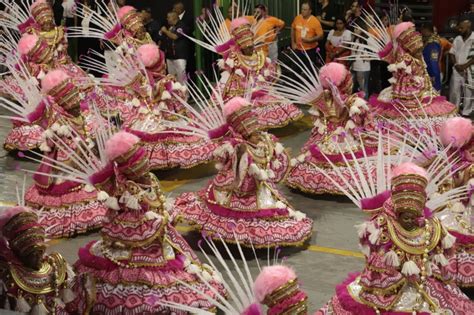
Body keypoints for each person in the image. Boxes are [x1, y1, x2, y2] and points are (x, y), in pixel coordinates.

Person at [68, 131, 226, 314]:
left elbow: (156, 201)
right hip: (138, 245)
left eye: (144, 160)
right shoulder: (128, 190)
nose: (145, 165)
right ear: (130, 168)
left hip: (161, 236)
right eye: (139, 163)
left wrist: (166, 214)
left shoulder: (150, 179)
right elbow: (131, 223)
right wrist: (159, 221)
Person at [316, 163, 474, 314]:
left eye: (413, 216)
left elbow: (437, 257)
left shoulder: (431, 227)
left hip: (426, 283)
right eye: (406, 216)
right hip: (388, 287)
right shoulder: (382, 226)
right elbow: (374, 260)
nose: (410, 220)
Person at [175, 97, 313, 248]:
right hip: (239, 188)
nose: (257, 135)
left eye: (257, 131)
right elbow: (221, 156)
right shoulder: (237, 146)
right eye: (253, 134)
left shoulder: (264, 140)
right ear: (245, 134)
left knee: (271, 209)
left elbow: (276, 159)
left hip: (261, 187)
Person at [24, 69, 108, 238]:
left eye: (77, 96)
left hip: (85, 162)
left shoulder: (78, 115)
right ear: (64, 101)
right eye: (73, 97)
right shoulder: (59, 124)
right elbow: (64, 160)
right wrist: (84, 151)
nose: (78, 100)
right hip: (68, 169)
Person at [0, 206, 75, 314]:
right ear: (20, 252)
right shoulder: (6, 273)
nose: (38, 258)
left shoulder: (56, 266)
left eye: (40, 252)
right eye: (31, 253)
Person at [449, 19, 474, 117]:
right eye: (459, 27)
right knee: (454, 91)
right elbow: (452, 53)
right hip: (457, 69)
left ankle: (466, 112)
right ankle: (454, 110)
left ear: (468, 27)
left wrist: (465, 66)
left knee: (469, 92)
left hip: (469, 70)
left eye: (462, 28)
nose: (459, 30)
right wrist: (456, 65)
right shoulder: (457, 38)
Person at [291, 1, 324, 66]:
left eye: (305, 9)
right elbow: (293, 28)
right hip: (298, 49)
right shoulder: (298, 18)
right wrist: (293, 43)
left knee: (309, 70)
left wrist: (310, 40)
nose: (302, 11)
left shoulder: (315, 21)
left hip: (310, 50)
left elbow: (321, 36)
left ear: (310, 11)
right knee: (295, 69)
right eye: (302, 9)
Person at [160, 11, 189, 84]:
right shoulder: (171, 27)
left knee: (181, 77)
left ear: (174, 17)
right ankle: (174, 94)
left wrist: (165, 31)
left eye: (168, 17)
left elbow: (175, 37)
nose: (167, 19)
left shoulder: (181, 26)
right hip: (170, 56)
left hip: (179, 56)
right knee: (172, 78)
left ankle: (185, 95)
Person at [351, 24, 370, 98]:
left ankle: (366, 105)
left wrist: (367, 57)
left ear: (362, 29)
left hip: (363, 67)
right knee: (355, 87)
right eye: (354, 29)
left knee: (363, 88)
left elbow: (377, 53)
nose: (355, 30)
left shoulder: (367, 39)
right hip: (354, 66)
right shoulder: (354, 38)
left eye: (357, 29)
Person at [421, 23, 442, 92]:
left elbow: (433, 61)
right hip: (426, 74)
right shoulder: (427, 42)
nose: (421, 32)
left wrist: (433, 75)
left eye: (422, 30)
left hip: (432, 76)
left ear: (426, 30)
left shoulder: (433, 44)